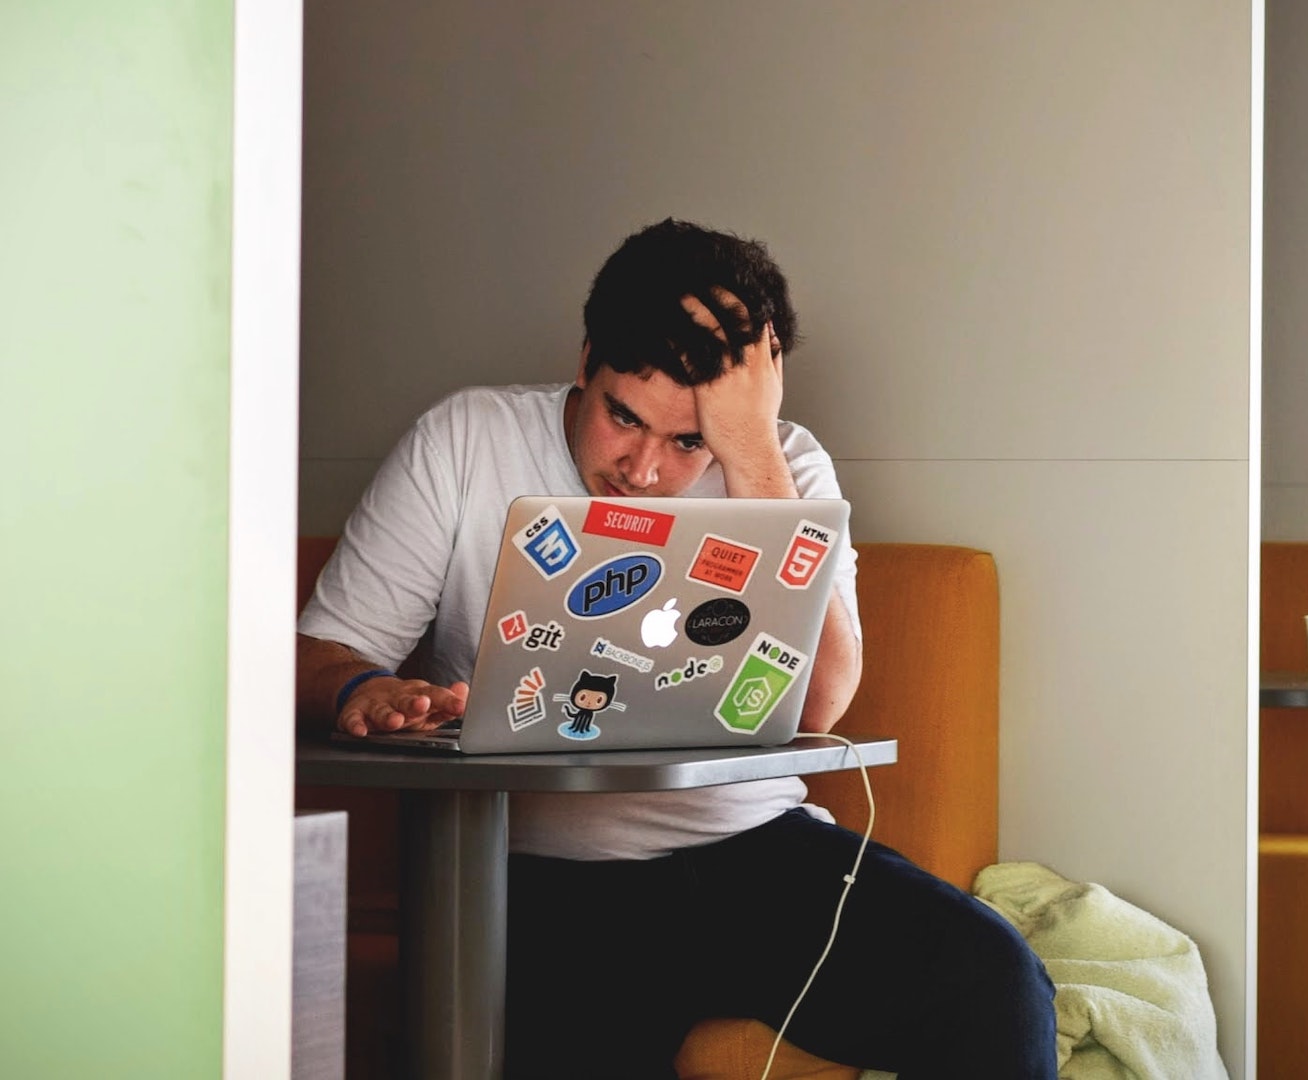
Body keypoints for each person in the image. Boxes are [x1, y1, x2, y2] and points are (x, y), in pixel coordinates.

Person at [294, 219, 1058, 1078]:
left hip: (755, 852)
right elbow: (319, 653)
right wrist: (362, 688)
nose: (645, 469)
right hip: (541, 877)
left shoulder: (783, 464)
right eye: (624, 418)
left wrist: (749, 452)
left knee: (996, 980)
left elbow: (820, 704)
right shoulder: (464, 440)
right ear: (585, 360)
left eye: (688, 439)